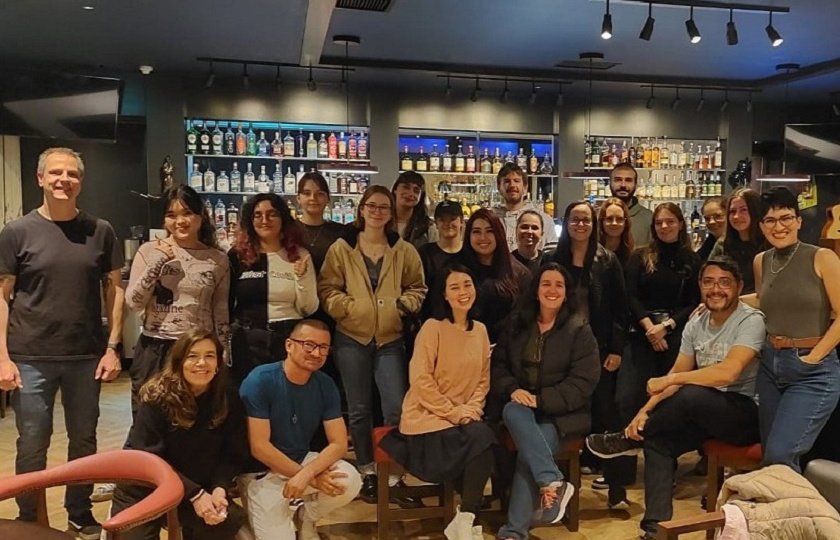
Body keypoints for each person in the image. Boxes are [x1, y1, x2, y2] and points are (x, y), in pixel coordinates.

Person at [586, 257, 765, 540]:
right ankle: (655, 531)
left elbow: (728, 373)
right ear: (700, 286)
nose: (715, 289)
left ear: (739, 286)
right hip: (701, 412)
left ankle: (630, 440)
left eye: (724, 282)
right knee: (659, 443)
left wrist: (673, 380)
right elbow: (678, 371)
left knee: (690, 392)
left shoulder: (751, 320)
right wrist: (643, 413)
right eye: (708, 282)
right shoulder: (697, 322)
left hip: (744, 415)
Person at [0, 147, 124, 539]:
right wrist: (1, 357)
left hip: (86, 354)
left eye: (71, 174)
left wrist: (113, 347)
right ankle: (29, 515)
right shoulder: (16, 232)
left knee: (84, 440)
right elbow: (2, 296)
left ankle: (78, 510)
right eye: (55, 172)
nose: (63, 180)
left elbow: (115, 290)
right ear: (40, 178)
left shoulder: (100, 230)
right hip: (29, 355)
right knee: (33, 442)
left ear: (80, 182)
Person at [317, 185, 426, 504]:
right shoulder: (342, 248)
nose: (377, 212)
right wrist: (350, 309)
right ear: (361, 209)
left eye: (384, 208)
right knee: (360, 409)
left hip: (390, 339)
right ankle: (365, 470)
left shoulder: (403, 249)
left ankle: (393, 473)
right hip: (351, 337)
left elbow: (418, 288)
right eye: (372, 206)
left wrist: (401, 307)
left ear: (391, 214)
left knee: (394, 407)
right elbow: (327, 288)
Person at [380, 264, 496, 540]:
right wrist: (454, 413)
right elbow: (420, 381)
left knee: (484, 440)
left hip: (462, 419)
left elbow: (483, 380)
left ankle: (465, 520)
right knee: (483, 439)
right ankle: (468, 521)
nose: (463, 292)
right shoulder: (433, 328)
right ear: (444, 295)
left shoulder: (480, 330)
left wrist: (472, 410)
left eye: (467, 285)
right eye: (454, 287)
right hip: (427, 418)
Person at [491, 263, 600, 540]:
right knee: (512, 410)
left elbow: (583, 383)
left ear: (566, 293)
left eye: (559, 285)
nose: (552, 290)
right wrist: (513, 388)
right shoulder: (516, 323)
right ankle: (551, 480)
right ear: (536, 290)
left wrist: (541, 401)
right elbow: (498, 366)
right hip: (520, 407)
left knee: (531, 453)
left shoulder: (579, 329)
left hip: (562, 415)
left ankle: (514, 532)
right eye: (546, 284)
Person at [111, 329, 251, 540]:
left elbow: (233, 454)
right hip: (145, 488)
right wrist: (196, 494)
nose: (202, 363)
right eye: (192, 356)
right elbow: (150, 460)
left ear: (218, 363)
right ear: (178, 361)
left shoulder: (228, 397)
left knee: (225, 522)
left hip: (195, 488)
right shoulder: (156, 397)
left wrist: (219, 488)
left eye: (210, 356)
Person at [238, 319, 362, 540]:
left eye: (323, 348)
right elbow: (259, 447)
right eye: (309, 345)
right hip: (262, 473)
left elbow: (339, 443)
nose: (316, 353)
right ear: (289, 345)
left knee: (350, 480)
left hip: (301, 462)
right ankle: (249, 521)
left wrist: (306, 474)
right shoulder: (260, 380)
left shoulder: (325, 384)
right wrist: (311, 479)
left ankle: (307, 516)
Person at [746, 186, 840, 472]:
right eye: (770, 220)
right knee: (773, 461)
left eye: (786, 217)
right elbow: (765, 299)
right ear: (761, 226)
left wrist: (814, 356)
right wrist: (721, 303)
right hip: (771, 366)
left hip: (812, 370)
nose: (779, 226)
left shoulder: (822, 257)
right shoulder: (762, 261)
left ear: (799, 220)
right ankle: (785, 516)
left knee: (780, 454)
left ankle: (806, 516)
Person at [551, 201, 631, 508]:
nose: (580, 224)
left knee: (607, 418)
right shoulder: (551, 257)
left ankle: (617, 489)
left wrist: (616, 349)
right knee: (561, 417)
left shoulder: (607, 260)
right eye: (575, 219)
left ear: (593, 224)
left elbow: (619, 310)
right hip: (559, 352)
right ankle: (558, 490)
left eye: (586, 220)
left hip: (597, 350)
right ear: (566, 222)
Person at [126, 185, 230, 417]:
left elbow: (220, 312)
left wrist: (223, 354)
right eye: (171, 215)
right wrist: (158, 261)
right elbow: (134, 302)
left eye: (187, 213)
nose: (179, 221)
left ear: (200, 217)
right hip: (155, 348)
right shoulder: (149, 250)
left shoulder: (217, 259)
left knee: (195, 419)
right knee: (148, 419)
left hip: (197, 349)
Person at [620, 203, 701, 430]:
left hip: (675, 334)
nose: (664, 226)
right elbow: (630, 296)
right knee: (628, 397)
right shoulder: (640, 256)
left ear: (681, 224)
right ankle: (624, 457)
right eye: (659, 223)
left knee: (668, 399)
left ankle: (659, 454)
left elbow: (695, 301)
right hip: (640, 333)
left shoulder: (692, 261)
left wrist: (665, 326)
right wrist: (650, 329)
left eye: (670, 221)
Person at [228, 193, 318, 385]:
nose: (264, 220)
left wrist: (301, 278)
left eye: (271, 214)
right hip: (246, 341)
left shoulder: (299, 255)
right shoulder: (237, 257)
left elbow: (308, 309)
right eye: (258, 215)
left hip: (287, 341)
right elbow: (226, 304)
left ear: (283, 218)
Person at [459, 208, 531, 344]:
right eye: (476, 232)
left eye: (490, 231)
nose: (483, 238)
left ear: (499, 234)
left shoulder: (519, 273)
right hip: (464, 347)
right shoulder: (457, 270)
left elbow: (525, 318)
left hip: (506, 350)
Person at [709, 188, 766, 293]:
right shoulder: (722, 244)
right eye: (732, 211)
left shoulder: (768, 245)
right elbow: (710, 278)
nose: (736, 216)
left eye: (743, 210)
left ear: (755, 211)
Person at [493, 163, 557, 252]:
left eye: (517, 181)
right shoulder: (491, 219)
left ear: (525, 188)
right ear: (499, 188)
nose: (512, 185)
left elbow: (550, 257)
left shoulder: (544, 220)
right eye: (507, 181)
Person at [418, 199, 464, 320]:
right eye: (442, 220)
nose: (447, 223)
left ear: (462, 222)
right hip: (432, 322)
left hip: (465, 322)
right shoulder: (425, 253)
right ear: (436, 223)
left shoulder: (471, 253)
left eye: (452, 219)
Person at [296, 172, 348, 274]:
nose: (313, 198)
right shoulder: (287, 229)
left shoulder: (341, 232)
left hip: (332, 288)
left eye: (320, 194)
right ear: (298, 198)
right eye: (307, 193)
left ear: (328, 199)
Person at [609, 163, 653, 248]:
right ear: (610, 183)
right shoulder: (598, 217)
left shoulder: (648, 218)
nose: (623, 185)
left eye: (628, 180)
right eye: (618, 180)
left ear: (636, 185)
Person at [392, 171, 438, 248]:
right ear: (395, 190)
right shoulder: (382, 222)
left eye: (416, 191)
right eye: (406, 187)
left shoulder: (428, 228)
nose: (410, 194)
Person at [598, 197, 635, 265]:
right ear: (601, 222)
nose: (614, 223)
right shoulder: (593, 253)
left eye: (619, 219)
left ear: (626, 223)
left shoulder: (633, 257)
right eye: (609, 218)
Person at [511, 210, 546, 274]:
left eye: (534, 228)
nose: (529, 231)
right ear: (516, 231)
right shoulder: (507, 262)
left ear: (542, 234)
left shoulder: (547, 262)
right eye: (524, 227)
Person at [695, 196, 728, 262]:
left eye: (718, 216)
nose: (711, 222)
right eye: (707, 218)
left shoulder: (737, 245)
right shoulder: (709, 243)